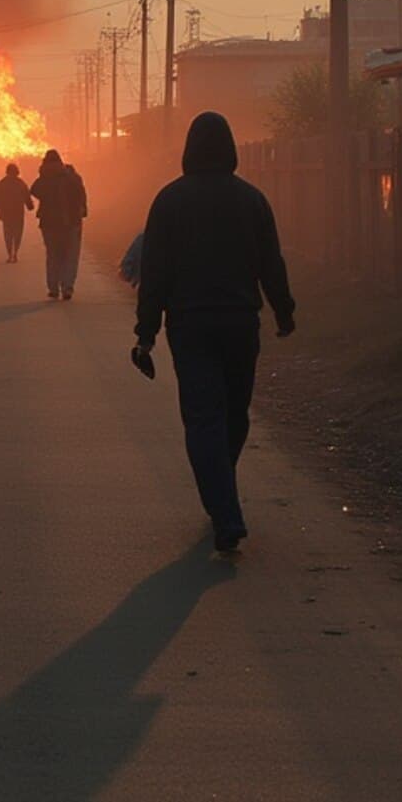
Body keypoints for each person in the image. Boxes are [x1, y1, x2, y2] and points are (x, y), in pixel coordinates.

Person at [131, 111, 295, 557]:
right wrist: (284, 312)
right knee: (234, 413)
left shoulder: (169, 201)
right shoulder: (252, 200)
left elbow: (155, 274)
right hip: (241, 324)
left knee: (205, 417)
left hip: (190, 326)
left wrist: (146, 333)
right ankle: (226, 512)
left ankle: (221, 499)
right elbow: (271, 264)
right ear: (230, 151)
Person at [29, 148, 88, 299]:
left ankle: (53, 287)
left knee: (53, 255)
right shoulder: (72, 177)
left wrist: (43, 175)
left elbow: (33, 190)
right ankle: (67, 287)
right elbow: (82, 195)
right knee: (70, 255)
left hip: (49, 223)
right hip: (71, 222)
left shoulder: (44, 178)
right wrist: (82, 212)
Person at [0, 161, 34, 264]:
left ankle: (9, 254)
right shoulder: (20, 183)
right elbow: (27, 196)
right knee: (18, 233)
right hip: (18, 212)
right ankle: (15, 252)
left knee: (7, 233)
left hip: (6, 213)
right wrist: (30, 206)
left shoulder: (2, 183)